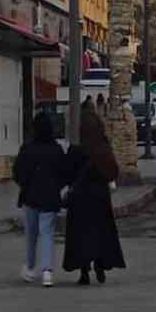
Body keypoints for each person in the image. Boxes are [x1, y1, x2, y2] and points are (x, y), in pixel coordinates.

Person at [62, 103, 126, 286]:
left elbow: (67, 173)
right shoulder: (103, 147)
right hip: (99, 198)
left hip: (80, 199)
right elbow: (113, 171)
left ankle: (84, 272)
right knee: (100, 233)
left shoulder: (76, 149)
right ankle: (100, 265)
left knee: (81, 235)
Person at [13, 111, 66, 288]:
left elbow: (17, 172)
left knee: (31, 235)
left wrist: (25, 184)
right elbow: (63, 174)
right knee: (47, 233)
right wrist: (56, 187)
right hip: (50, 198)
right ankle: (47, 272)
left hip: (30, 197)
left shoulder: (27, 148)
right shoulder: (56, 149)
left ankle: (29, 268)